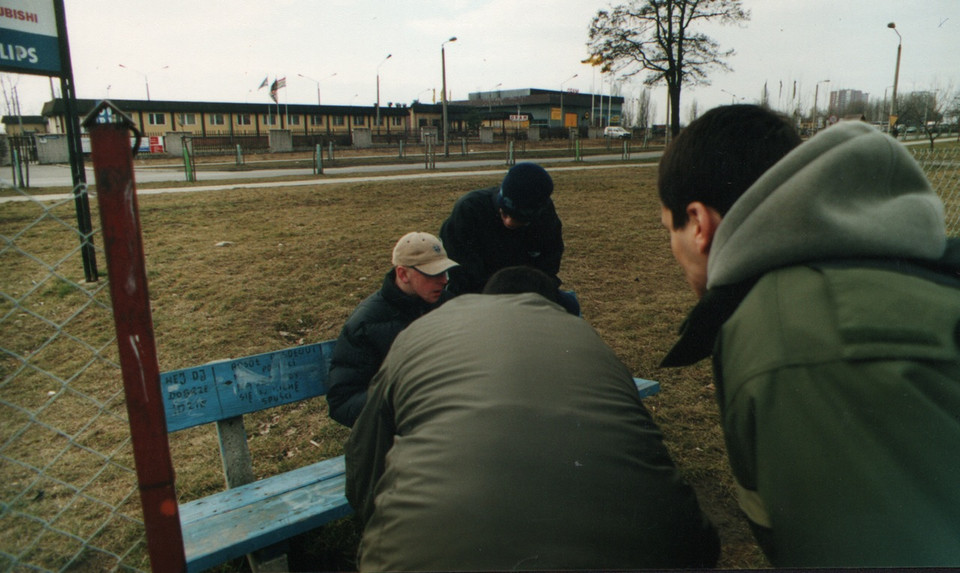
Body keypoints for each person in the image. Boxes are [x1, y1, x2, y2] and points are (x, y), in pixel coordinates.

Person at [657, 104, 960, 567]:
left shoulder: (795, 345)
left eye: (668, 230)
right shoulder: (872, 262)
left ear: (698, 224)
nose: (673, 250)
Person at [344, 266, 719, 571]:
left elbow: (365, 455)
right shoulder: (585, 337)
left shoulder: (424, 330)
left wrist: (374, 527)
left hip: (418, 553)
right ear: (552, 305)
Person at [325, 232, 458, 427]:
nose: (444, 280)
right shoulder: (366, 324)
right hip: (400, 428)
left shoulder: (449, 304)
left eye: (445, 272)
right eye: (433, 274)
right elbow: (343, 404)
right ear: (403, 274)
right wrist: (401, 398)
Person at [439, 162, 579, 314]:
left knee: (570, 306)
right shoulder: (469, 210)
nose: (508, 222)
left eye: (520, 220)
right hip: (475, 295)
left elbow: (548, 268)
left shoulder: (545, 218)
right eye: (504, 214)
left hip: (525, 292)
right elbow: (461, 276)